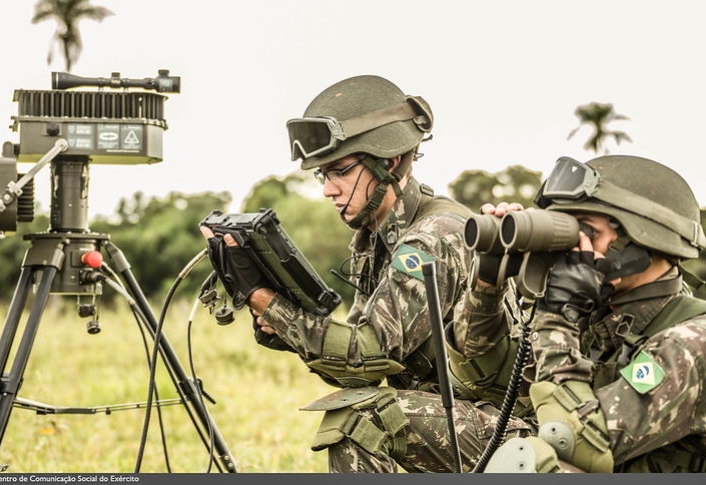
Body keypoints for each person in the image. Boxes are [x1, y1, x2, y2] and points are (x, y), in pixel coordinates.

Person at [201, 74, 533, 472]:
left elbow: (364, 353)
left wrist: (263, 299)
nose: (328, 189)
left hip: (511, 433)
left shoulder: (436, 235)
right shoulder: (375, 239)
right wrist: (281, 317)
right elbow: (357, 375)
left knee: (361, 421)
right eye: (323, 175)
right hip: (460, 417)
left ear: (388, 162)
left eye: (340, 170)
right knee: (360, 410)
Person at [453, 154, 706, 473]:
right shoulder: (600, 318)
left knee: (526, 462)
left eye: (587, 232)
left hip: (584, 450)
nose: (571, 249)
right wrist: (487, 282)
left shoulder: (690, 343)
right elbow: (483, 374)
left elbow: (569, 442)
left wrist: (558, 314)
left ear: (639, 240)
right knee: (388, 417)